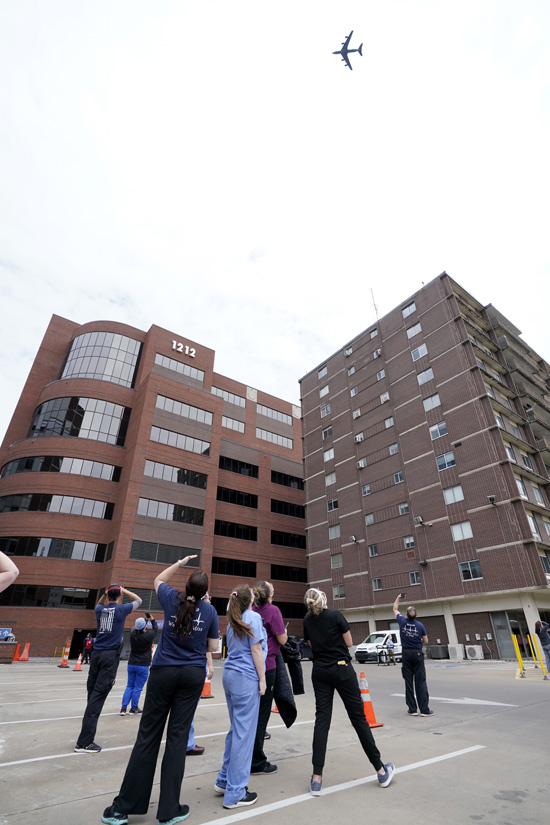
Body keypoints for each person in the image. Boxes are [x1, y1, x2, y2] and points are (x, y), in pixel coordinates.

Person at [102, 557, 219, 825]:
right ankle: (168, 810)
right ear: (205, 592)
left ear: (187, 587)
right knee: (178, 739)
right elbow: (213, 646)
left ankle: (123, 808)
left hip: (163, 671)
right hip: (192, 675)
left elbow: (158, 580)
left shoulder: (172, 598)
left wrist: (179, 562)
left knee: (148, 736)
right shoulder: (210, 611)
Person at [303, 588, 394, 797]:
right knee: (358, 719)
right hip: (341, 669)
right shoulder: (335, 615)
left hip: (320, 670)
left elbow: (311, 644)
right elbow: (350, 642)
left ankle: (316, 778)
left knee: (322, 721)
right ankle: (381, 771)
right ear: (323, 599)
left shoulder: (307, 620)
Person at [215, 584, 267, 809]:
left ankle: (224, 780)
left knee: (236, 730)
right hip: (245, 678)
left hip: (230, 675)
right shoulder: (253, 617)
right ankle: (235, 792)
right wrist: (262, 679)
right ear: (250, 600)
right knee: (243, 735)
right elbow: (256, 650)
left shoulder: (233, 618)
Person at [75, 584, 142, 754]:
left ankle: (85, 737)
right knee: (98, 697)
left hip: (96, 655)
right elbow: (138, 600)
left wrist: (105, 594)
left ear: (107, 595)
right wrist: (123, 590)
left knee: (92, 694)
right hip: (109, 657)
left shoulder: (100, 610)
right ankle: (84, 743)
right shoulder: (121, 610)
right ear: (119, 596)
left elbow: (99, 603)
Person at [250, 580, 287, 775]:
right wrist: (285, 633)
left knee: (251, 713)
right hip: (267, 665)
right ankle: (257, 761)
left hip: (250, 666)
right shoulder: (273, 611)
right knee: (262, 714)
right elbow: (282, 639)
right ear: (270, 594)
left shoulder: (251, 611)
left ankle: (247, 755)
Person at [392, 593, 433, 716]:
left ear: (406, 614)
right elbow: (426, 641)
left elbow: (395, 608)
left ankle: (412, 709)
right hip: (417, 653)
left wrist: (398, 597)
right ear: (416, 615)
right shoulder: (420, 625)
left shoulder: (401, 621)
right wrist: (417, 640)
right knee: (421, 681)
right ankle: (424, 710)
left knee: (408, 682)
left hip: (406, 653)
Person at [186, 592, 214, 756]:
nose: (209, 601)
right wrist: (210, 665)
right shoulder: (206, 615)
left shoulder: (183, 612)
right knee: (189, 707)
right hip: (195, 666)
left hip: (177, 664)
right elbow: (209, 645)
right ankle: (188, 743)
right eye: (208, 598)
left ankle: (180, 741)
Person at [120, 613, 159, 716]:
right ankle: (134, 708)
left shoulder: (132, 635)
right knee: (137, 688)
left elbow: (137, 628)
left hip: (132, 663)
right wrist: (152, 620)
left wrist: (144, 621)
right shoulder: (147, 636)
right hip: (142, 664)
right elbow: (155, 629)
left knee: (129, 686)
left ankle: (123, 708)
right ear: (144, 626)